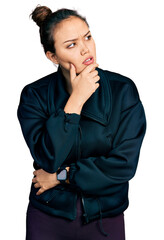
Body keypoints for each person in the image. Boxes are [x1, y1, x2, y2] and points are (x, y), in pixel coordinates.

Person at [17, 5, 146, 240]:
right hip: (47, 215)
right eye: (71, 45)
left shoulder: (122, 91)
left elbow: (123, 166)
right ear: (52, 56)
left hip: (104, 217)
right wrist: (75, 101)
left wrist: (60, 176)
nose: (86, 48)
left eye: (87, 37)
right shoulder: (34, 95)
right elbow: (48, 158)